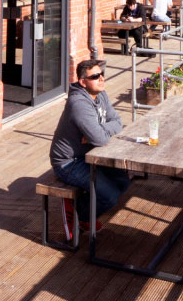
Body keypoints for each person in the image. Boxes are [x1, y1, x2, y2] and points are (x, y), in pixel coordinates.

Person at [50, 59, 131, 238]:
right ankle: (79, 211)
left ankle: (85, 209)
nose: (101, 78)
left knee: (123, 182)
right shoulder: (79, 104)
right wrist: (99, 134)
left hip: (92, 154)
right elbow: (101, 140)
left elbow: (117, 122)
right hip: (69, 162)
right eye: (95, 76)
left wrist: (99, 130)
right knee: (109, 196)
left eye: (102, 74)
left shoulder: (101, 94)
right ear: (83, 82)